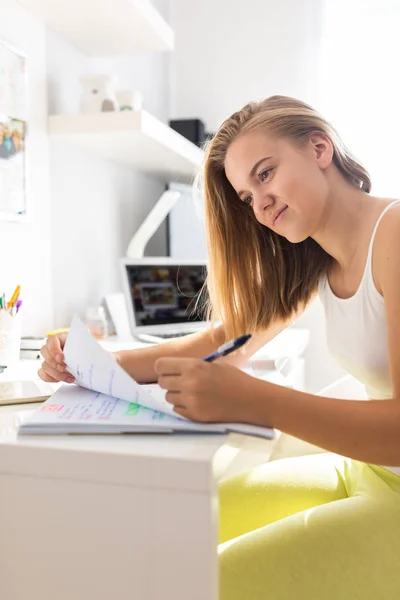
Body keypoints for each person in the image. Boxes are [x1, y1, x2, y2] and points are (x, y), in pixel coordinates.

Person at [39, 95, 400, 599]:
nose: (260, 204)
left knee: (206, 580)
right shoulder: (320, 259)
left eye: (266, 174)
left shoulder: (394, 236)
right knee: (168, 531)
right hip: (365, 472)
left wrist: (251, 398)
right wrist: (88, 363)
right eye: (248, 197)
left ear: (320, 148)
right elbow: (221, 343)